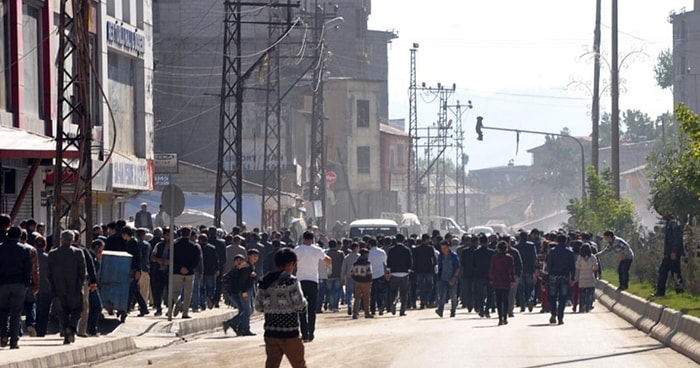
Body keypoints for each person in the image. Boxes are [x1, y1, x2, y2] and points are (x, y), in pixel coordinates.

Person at [255, 248, 308, 368]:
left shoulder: (265, 281)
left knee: (271, 365)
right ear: (290, 264)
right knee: (299, 364)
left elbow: (258, 306)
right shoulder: (291, 281)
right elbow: (300, 305)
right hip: (290, 333)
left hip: (270, 332)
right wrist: (305, 303)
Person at [48, 230, 86, 345]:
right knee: (77, 310)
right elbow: (82, 272)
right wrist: (79, 286)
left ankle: (66, 335)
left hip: (58, 289)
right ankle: (72, 327)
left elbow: (48, 274)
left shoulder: (53, 254)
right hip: (74, 288)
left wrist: (53, 286)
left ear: (61, 239)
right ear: (73, 240)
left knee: (62, 313)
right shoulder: (78, 253)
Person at [0, 226, 33, 349]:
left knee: (2, 311)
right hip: (19, 284)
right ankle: (14, 341)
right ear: (19, 236)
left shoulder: (1, 248)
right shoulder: (24, 250)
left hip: (2, 284)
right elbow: (28, 269)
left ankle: (3, 334)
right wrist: (26, 283)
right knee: (16, 312)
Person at [222, 255, 256, 336]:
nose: (239, 262)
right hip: (236, 293)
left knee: (245, 311)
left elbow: (248, 280)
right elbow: (240, 281)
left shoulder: (246, 267)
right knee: (247, 311)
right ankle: (239, 326)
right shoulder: (235, 270)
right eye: (237, 260)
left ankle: (239, 327)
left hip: (238, 292)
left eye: (241, 260)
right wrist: (244, 291)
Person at [545, 239, 575, 325]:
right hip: (564, 277)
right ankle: (560, 317)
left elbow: (549, 264)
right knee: (563, 297)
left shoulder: (552, 251)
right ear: (566, 241)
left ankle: (553, 314)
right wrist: (572, 278)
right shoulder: (569, 252)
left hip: (553, 277)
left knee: (553, 296)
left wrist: (548, 276)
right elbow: (572, 266)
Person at [171, 227, 199, 319]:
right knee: (188, 293)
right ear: (190, 234)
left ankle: (178, 302)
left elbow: (172, 258)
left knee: (175, 291)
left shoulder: (174, 244)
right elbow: (197, 260)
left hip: (176, 272)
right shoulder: (194, 246)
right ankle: (185, 313)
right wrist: (188, 268)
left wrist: (180, 267)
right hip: (189, 273)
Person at [655, 213, 685, 296]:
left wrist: (674, 251)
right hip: (670, 253)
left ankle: (661, 292)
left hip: (672, 253)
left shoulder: (673, 223)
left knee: (664, 270)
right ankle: (679, 291)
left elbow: (676, 239)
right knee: (675, 271)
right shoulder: (670, 223)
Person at [123, 227, 149, 317]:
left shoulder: (133, 242)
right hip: (132, 269)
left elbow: (137, 257)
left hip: (135, 269)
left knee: (131, 289)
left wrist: (138, 270)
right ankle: (143, 308)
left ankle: (126, 308)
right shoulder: (131, 242)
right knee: (134, 290)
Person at [489, 241, 515, 326]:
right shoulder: (509, 258)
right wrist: (512, 280)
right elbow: (511, 271)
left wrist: (491, 279)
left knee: (499, 300)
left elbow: (492, 269)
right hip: (506, 280)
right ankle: (505, 317)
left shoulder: (494, 258)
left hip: (497, 281)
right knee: (506, 299)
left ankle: (500, 318)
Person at [386, 234, 412, 316]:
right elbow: (410, 262)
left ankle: (393, 302)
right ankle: (402, 310)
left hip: (394, 273)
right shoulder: (407, 250)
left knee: (393, 291)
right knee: (404, 293)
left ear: (396, 240)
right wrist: (409, 270)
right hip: (404, 273)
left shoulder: (391, 250)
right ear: (403, 240)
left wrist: (388, 271)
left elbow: (388, 262)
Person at [435, 240, 460, 318]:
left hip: (452, 278)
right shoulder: (441, 256)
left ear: (449, 247)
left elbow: (457, 268)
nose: (443, 250)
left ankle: (453, 311)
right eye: (442, 248)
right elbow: (439, 266)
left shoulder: (453, 256)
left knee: (453, 296)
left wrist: (454, 278)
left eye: (445, 248)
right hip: (443, 278)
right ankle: (440, 310)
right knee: (442, 295)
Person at [575, 243, 599, 313]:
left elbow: (577, 267)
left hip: (582, 277)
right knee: (590, 293)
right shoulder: (593, 257)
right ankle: (588, 305)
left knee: (582, 293)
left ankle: (582, 305)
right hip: (590, 277)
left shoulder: (580, 257)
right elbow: (596, 267)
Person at [350, 248, 373, 319]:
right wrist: (370, 281)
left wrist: (356, 279)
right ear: (365, 254)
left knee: (357, 298)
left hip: (357, 282)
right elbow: (369, 273)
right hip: (366, 282)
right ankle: (367, 313)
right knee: (366, 298)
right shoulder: (367, 263)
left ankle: (355, 313)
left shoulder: (355, 263)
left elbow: (352, 273)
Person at [340, 242, 360, 316]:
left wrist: (342, 277)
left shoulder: (347, 257)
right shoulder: (359, 257)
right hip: (358, 277)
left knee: (349, 293)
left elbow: (343, 268)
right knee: (357, 294)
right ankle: (356, 309)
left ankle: (349, 305)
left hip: (349, 277)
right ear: (356, 248)